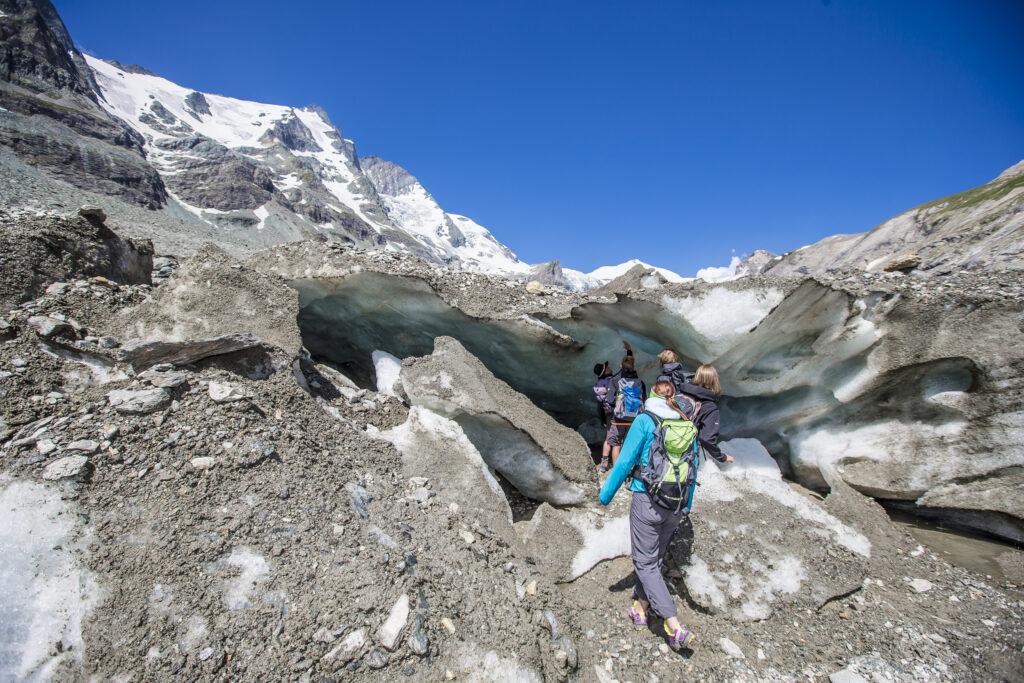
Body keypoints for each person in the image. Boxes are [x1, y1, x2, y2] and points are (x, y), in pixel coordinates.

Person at [599, 380, 734, 651]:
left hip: (647, 499)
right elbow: (692, 469)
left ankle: (672, 623)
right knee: (655, 557)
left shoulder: (645, 421)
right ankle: (641, 607)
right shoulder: (687, 425)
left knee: (644, 561)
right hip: (676, 503)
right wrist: (686, 506)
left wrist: (605, 495)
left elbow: (624, 461)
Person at [593, 341, 646, 471]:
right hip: (634, 419)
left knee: (615, 444)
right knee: (629, 444)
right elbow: (644, 399)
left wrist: (611, 413)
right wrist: (629, 352)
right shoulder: (639, 382)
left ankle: (614, 470)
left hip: (617, 419)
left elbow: (609, 400)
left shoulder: (615, 380)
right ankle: (629, 470)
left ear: (621, 366)